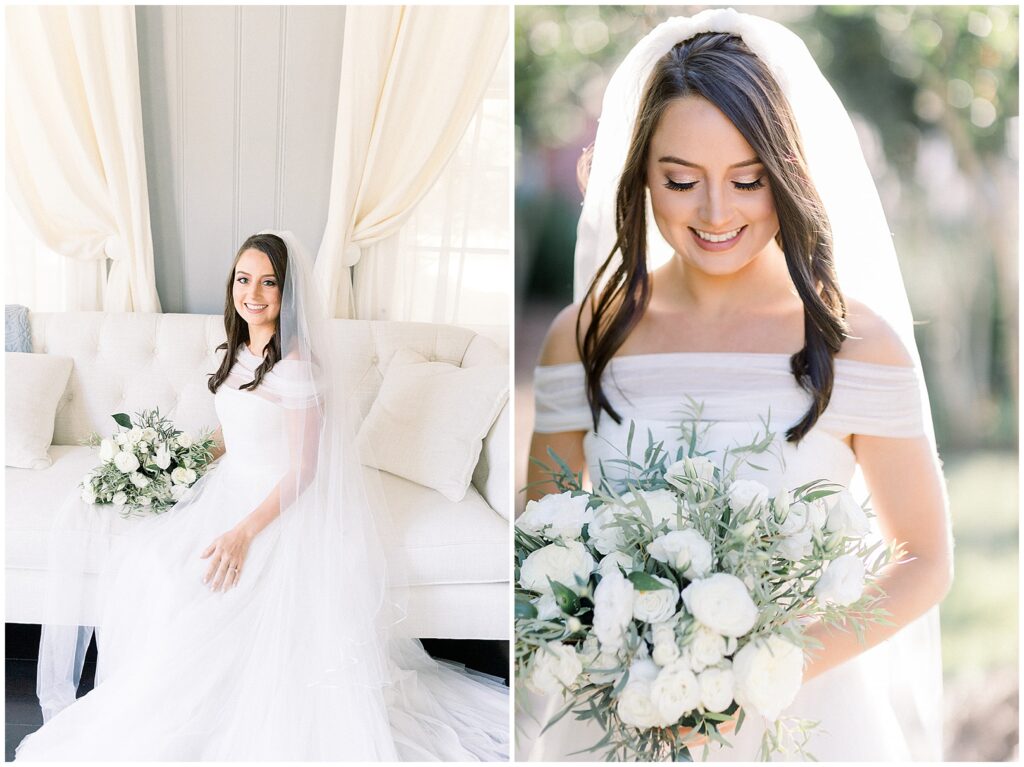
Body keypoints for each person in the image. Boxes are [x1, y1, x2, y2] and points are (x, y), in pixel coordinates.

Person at [518, 9, 952, 761]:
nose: (717, 213)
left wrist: (756, 673)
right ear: (641, 175)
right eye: (681, 180)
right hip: (625, 722)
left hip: (804, 725)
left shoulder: (856, 346)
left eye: (748, 180)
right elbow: (542, 538)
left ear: (785, 174)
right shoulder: (584, 337)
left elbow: (924, 558)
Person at [17, 231, 509, 761]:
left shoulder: (297, 367)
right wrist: (178, 465)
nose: (254, 293)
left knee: (201, 586)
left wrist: (242, 534)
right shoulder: (240, 351)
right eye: (244, 280)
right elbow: (235, 433)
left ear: (287, 292)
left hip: (276, 508)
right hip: (228, 489)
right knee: (150, 561)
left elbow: (302, 470)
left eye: (268, 282)